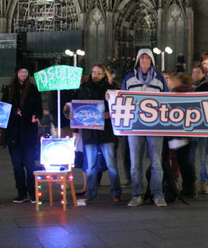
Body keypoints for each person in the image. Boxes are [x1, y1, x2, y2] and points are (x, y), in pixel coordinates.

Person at [121, 48, 169, 207]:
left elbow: (168, 100)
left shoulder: (159, 79)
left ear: (152, 61)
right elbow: (121, 98)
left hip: (155, 127)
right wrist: (111, 97)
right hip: (134, 127)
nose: (144, 61)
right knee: (135, 163)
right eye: (142, 58)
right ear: (138, 61)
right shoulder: (129, 79)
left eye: (147, 58)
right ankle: (137, 194)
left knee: (156, 162)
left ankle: (157, 194)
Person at [70, 64, 122, 202]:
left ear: (104, 74)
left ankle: (116, 191)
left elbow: (119, 107)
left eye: (99, 73)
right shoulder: (83, 88)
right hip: (89, 131)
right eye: (94, 72)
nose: (96, 75)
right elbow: (77, 106)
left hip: (106, 131)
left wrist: (110, 113)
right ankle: (91, 192)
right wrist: (71, 113)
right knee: (91, 165)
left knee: (111, 164)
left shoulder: (111, 89)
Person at [2, 62, 43, 204]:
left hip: (28, 132)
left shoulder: (33, 89)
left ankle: (32, 192)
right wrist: (14, 111)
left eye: (25, 72)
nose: (23, 74)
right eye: (21, 72)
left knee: (31, 164)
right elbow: (4, 107)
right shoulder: (9, 89)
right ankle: (21, 192)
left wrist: (36, 115)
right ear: (16, 73)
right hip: (13, 133)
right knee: (17, 165)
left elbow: (38, 106)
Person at [189, 65, 208, 195]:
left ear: (202, 74)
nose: (195, 74)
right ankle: (190, 182)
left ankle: (204, 181)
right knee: (190, 158)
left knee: (203, 156)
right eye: (193, 72)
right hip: (190, 127)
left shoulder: (206, 86)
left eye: (197, 72)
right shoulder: (188, 87)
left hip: (202, 126)